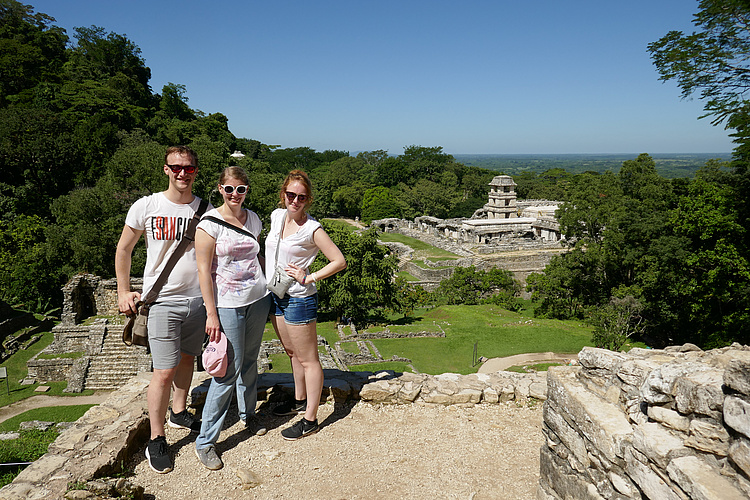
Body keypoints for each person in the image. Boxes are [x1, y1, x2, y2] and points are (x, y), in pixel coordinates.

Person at [115, 146, 210, 474]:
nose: (183, 173)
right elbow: (124, 248)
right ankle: (157, 437)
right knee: (163, 371)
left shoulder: (207, 210)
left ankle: (179, 410)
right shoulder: (147, 206)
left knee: (187, 359)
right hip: (162, 302)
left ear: (196, 171)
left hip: (197, 300)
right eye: (177, 167)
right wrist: (123, 289)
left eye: (189, 168)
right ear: (166, 169)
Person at [193, 166, 272, 470]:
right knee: (226, 371)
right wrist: (211, 313)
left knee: (250, 361)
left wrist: (274, 279)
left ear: (247, 191)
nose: (235, 195)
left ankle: (247, 415)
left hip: (257, 297)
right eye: (229, 189)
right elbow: (203, 270)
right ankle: (206, 441)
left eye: (241, 189)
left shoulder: (253, 219)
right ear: (220, 189)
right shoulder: (209, 224)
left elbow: (256, 255)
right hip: (226, 304)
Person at [266, 169, 346, 440]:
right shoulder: (277, 217)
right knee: (291, 352)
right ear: (283, 195)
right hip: (277, 293)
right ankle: (300, 400)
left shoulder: (312, 228)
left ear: (308, 200)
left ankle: (310, 418)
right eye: (291, 195)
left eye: (301, 197)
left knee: (309, 360)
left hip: (299, 298)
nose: (295, 201)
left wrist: (309, 276)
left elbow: (338, 261)